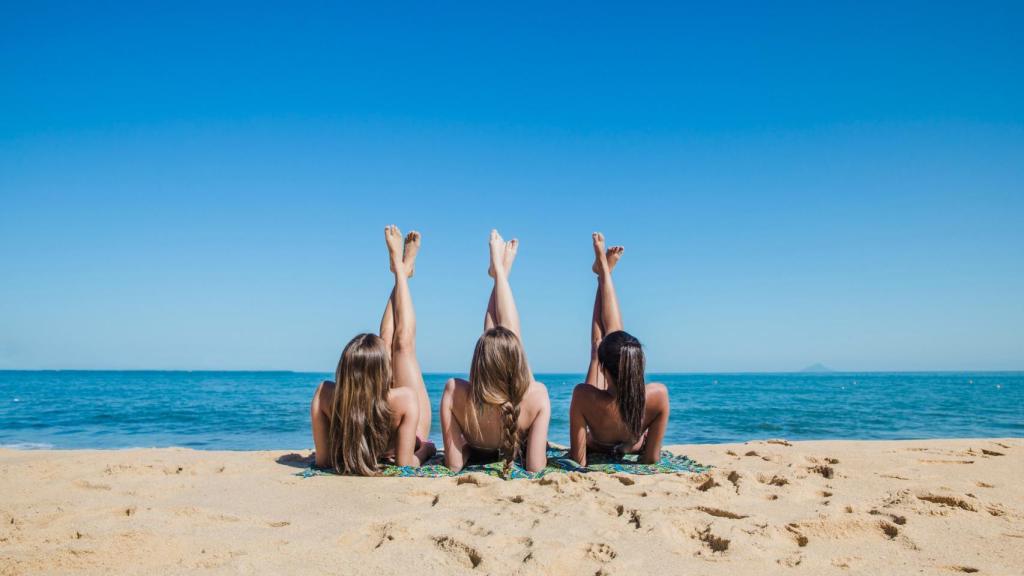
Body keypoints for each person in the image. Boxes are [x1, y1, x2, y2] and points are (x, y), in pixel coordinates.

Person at [310, 225, 435, 475]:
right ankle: (402, 272)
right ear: (383, 372)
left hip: (377, 407)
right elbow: (405, 464)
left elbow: (323, 461)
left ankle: (401, 271)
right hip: (406, 431)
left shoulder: (324, 394)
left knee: (386, 339)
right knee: (402, 345)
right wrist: (427, 450)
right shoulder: (403, 398)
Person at [440, 230, 551, 475]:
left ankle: (501, 272)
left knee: (496, 341)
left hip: (480, 430)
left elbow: (454, 464)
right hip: (515, 421)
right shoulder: (537, 395)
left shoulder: (453, 390)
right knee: (509, 339)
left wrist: (467, 450)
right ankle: (500, 272)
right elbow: (535, 467)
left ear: (476, 361)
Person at [568, 232, 670, 466]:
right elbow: (651, 459)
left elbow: (578, 459)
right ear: (639, 364)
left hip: (597, 441)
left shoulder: (583, 395)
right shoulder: (658, 395)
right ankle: (603, 272)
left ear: (604, 369)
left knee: (600, 346)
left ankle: (603, 272)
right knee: (616, 343)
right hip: (631, 443)